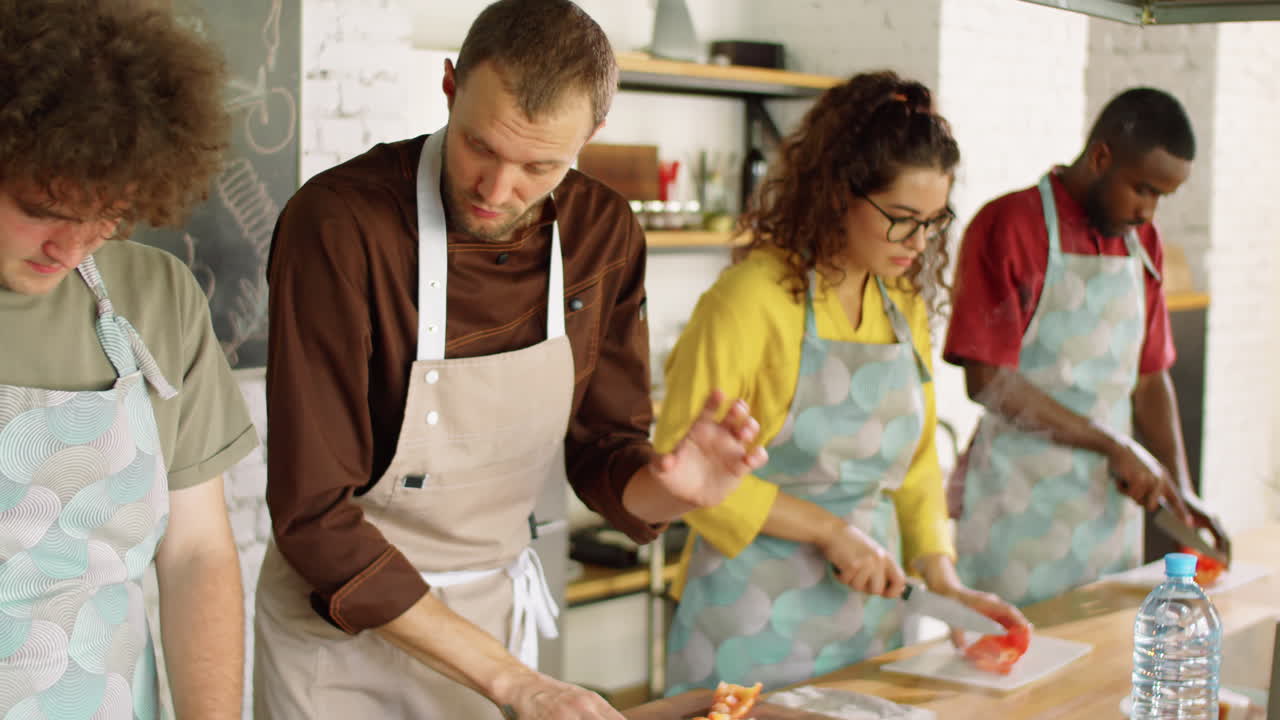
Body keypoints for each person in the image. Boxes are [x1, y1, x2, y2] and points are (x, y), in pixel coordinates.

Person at [255, 1, 767, 718]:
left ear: (591, 137)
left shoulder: (601, 234)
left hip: (489, 623)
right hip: (339, 644)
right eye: (479, 147)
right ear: (448, 88)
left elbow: (603, 454)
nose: (498, 191)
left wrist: (667, 489)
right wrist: (515, 683)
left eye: (539, 166)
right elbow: (312, 516)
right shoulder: (341, 225)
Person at [656, 71, 1028, 695]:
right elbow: (677, 467)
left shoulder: (901, 302)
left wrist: (942, 577)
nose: (919, 242)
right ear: (838, 195)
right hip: (748, 622)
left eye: (935, 222)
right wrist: (829, 530)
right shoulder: (752, 299)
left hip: (869, 621)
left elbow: (915, 469)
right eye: (902, 218)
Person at [0, 1, 253, 718]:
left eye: (106, 215)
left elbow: (197, 554)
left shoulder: (156, 298)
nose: (73, 247)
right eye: (43, 206)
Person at [945, 87, 1230, 608]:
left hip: (1105, 518)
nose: (1149, 211)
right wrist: (1114, 445)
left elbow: (1148, 378)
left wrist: (1180, 488)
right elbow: (987, 380)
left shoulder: (1143, 242)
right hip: (1015, 514)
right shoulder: (1009, 225)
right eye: (1142, 189)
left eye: (1162, 197)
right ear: (1101, 157)